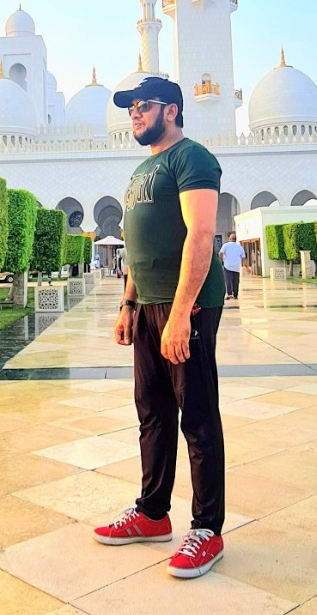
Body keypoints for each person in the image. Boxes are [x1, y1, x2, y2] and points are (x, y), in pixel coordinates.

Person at [93, 76, 226, 580]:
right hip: (148, 304)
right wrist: (128, 303)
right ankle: (152, 513)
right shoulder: (141, 170)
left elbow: (202, 235)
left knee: (197, 415)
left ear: (170, 110)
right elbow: (136, 245)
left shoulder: (192, 158)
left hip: (186, 306)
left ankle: (207, 529)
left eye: (143, 105)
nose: (134, 113)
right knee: (152, 412)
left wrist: (180, 313)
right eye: (130, 107)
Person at [219, 232, 245, 301]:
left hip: (227, 266)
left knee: (228, 280)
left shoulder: (225, 245)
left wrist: (221, 261)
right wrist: (247, 267)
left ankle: (229, 294)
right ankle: (235, 294)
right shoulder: (240, 247)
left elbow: (220, 253)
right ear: (235, 239)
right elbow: (243, 257)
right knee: (236, 281)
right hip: (236, 267)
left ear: (229, 239)